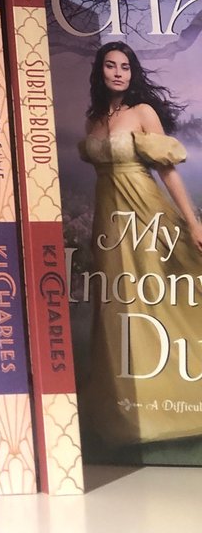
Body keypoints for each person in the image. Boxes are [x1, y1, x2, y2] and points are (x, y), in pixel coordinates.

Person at [78, 40, 202, 448]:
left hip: (146, 213)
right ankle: (127, 413)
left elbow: (168, 172)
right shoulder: (93, 118)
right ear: (101, 72)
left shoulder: (142, 113)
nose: (118, 72)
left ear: (133, 73)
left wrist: (194, 223)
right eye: (111, 66)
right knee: (120, 305)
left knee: (162, 296)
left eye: (125, 66)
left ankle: (178, 402)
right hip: (109, 222)